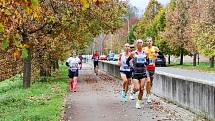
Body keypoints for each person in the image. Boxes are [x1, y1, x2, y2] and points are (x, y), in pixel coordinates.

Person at [126, 39, 150, 109]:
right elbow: (128, 61)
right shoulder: (133, 53)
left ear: (142, 44)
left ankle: (138, 102)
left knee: (142, 89)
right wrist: (131, 68)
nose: (140, 43)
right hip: (135, 73)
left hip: (143, 72)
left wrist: (145, 64)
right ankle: (133, 91)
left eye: (141, 42)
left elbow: (147, 61)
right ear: (136, 44)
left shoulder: (145, 53)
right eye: (138, 42)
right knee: (137, 88)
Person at [144, 37, 159, 103]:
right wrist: (146, 56)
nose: (149, 42)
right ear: (146, 42)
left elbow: (156, 56)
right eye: (148, 41)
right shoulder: (144, 49)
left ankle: (148, 92)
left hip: (152, 67)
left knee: (151, 83)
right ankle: (148, 95)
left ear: (152, 42)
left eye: (150, 41)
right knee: (148, 81)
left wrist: (155, 55)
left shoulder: (155, 48)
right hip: (146, 67)